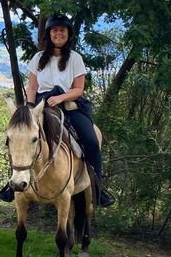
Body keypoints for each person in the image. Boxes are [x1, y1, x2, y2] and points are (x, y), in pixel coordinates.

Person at [17, 14, 114, 207]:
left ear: (68, 34)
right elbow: (33, 87)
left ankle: (98, 189)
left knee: (92, 142)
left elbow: (78, 89)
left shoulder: (75, 58)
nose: (59, 33)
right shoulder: (37, 58)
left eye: (62, 30)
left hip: (68, 105)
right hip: (41, 106)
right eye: (55, 30)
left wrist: (60, 97)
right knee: (18, 136)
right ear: (49, 34)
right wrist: (29, 108)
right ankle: (12, 183)